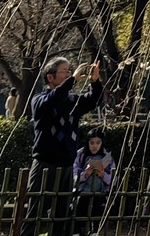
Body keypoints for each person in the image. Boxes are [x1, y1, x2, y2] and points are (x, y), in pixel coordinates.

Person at [30, 57, 104, 236]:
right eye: (64, 72)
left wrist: (95, 82)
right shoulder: (40, 99)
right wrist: (73, 80)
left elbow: (93, 101)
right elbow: (53, 99)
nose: (69, 75)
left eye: (69, 72)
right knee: (35, 214)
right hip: (45, 163)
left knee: (61, 216)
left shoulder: (72, 100)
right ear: (50, 77)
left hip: (66, 164)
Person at [72, 129, 118, 234]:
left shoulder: (107, 157)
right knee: (79, 213)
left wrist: (102, 174)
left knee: (98, 213)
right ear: (87, 143)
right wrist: (85, 174)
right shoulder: (80, 154)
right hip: (82, 192)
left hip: (100, 193)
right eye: (92, 143)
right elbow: (73, 176)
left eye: (98, 143)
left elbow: (113, 180)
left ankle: (95, 232)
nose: (95, 146)